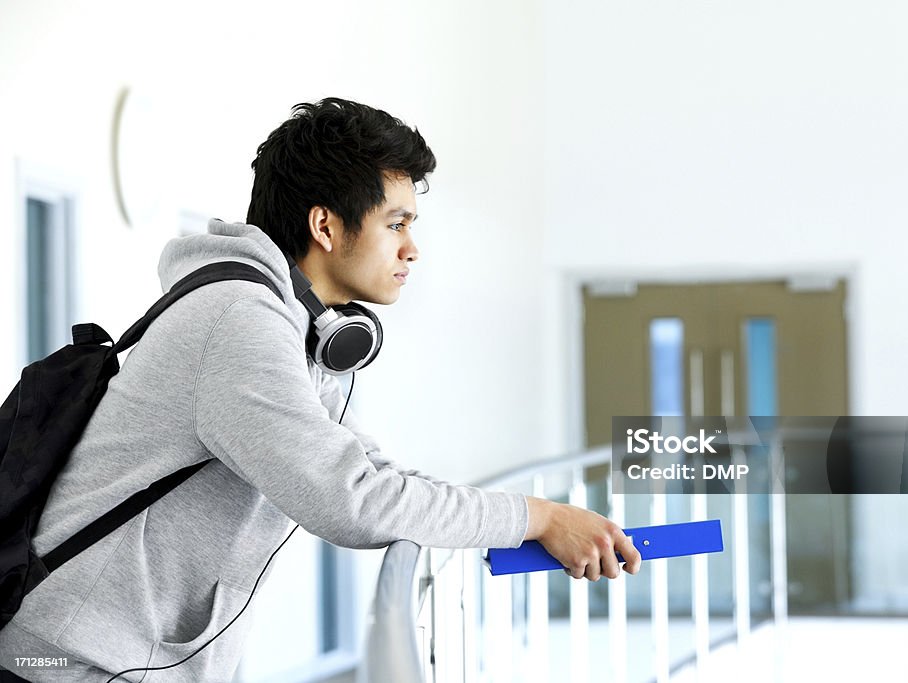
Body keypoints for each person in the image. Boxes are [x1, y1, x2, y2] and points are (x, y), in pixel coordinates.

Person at [0, 97, 640, 682]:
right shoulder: (239, 320)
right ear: (326, 226)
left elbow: (369, 469)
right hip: (66, 664)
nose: (413, 249)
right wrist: (539, 516)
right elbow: (351, 501)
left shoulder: (298, 329)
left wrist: (533, 522)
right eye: (397, 224)